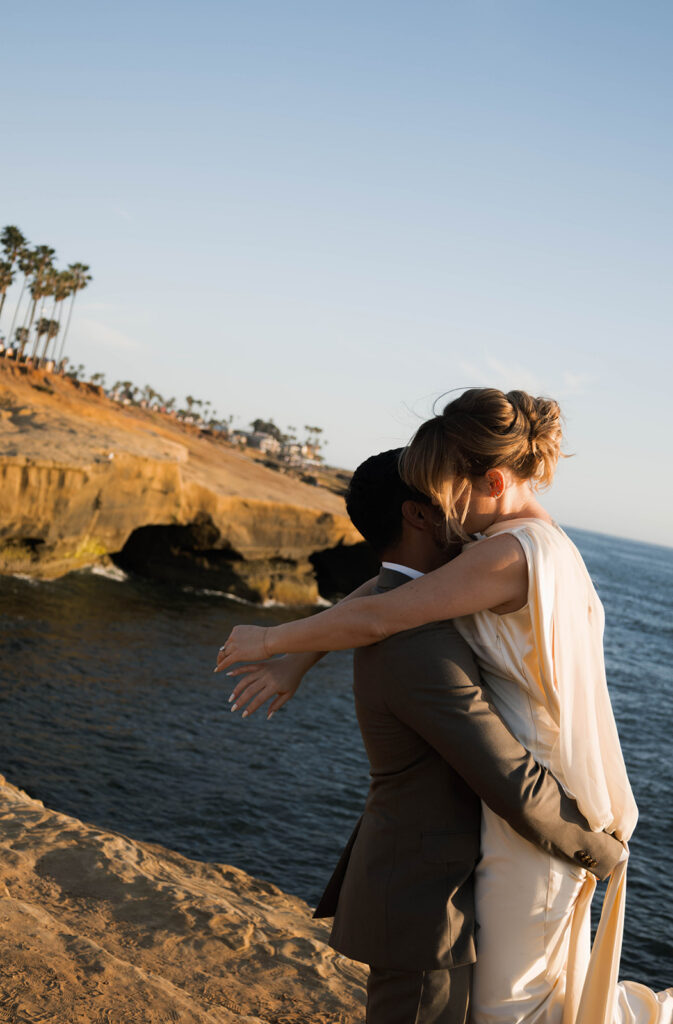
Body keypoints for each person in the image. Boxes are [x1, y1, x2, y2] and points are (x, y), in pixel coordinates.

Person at [217, 388, 672, 1023]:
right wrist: (300, 660)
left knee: (514, 1003)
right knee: (531, 990)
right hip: (546, 793)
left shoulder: (505, 554)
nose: (442, 511)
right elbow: (386, 589)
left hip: (541, 798)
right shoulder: (521, 542)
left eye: (446, 489)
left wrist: (273, 638)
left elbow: (384, 611)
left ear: (490, 479)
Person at [311, 448, 624, 1024]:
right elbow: (503, 771)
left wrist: (295, 651)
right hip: (421, 899)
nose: (465, 508)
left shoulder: (407, 604)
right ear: (420, 516)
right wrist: (599, 848)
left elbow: (380, 598)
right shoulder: (416, 640)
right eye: (447, 494)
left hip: (430, 885)